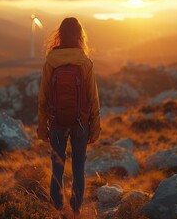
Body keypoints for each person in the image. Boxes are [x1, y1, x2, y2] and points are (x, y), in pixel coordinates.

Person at [37, 17, 101, 215]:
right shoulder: (85, 62)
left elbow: (43, 97)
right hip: (81, 124)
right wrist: (95, 128)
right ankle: (76, 209)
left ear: (60, 35)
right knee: (78, 167)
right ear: (79, 36)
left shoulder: (51, 61)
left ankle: (56, 209)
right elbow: (93, 98)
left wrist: (42, 127)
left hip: (56, 123)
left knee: (57, 167)